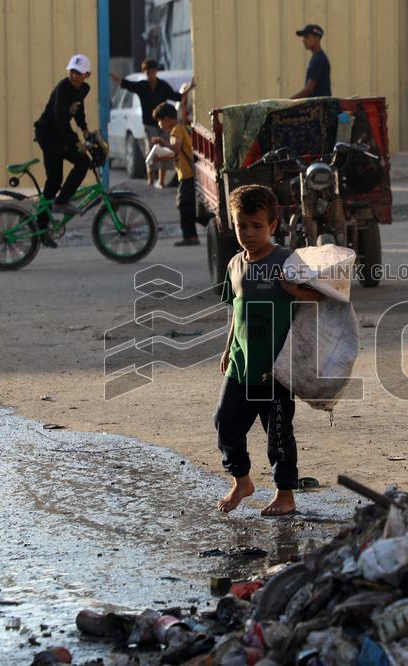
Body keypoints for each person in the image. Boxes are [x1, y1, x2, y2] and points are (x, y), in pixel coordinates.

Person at [214, 185, 325, 517]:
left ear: (273, 226)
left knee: (277, 433)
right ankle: (243, 482)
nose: (248, 233)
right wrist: (227, 348)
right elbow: (236, 309)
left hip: (277, 367)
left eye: (256, 226)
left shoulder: (287, 260)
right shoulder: (235, 264)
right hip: (241, 364)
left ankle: (285, 494)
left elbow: (321, 298)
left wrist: (292, 289)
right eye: (241, 225)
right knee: (225, 422)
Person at [34, 53, 93, 247]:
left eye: (79, 73)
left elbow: (78, 109)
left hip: (60, 135)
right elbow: (60, 118)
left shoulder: (84, 89)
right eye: (73, 72)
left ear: (87, 75)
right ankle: (60, 204)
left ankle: (42, 228)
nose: (75, 76)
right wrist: (76, 142)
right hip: (49, 135)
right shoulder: (63, 88)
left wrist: (85, 130)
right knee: (75, 167)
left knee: (56, 180)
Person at [112, 59, 194, 188]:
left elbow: (176, 96)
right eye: (148, 72)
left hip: (164, 125)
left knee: (165, 150)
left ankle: (161, 181)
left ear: (156, 72)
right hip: (149, 125)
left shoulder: (163, 86)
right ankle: (150, 180)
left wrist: (190, 89)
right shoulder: (142, 86)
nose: (151, 74)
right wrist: (110, 74)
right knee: (150, 151)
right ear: (145, 72)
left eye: (153, 72)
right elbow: (125, 84)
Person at [151, 102, 199, 246]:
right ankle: (191, 235)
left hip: (188, 174)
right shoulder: (178, 128)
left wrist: (162, 142)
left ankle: (191, 237)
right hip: (185, 174)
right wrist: (159, 157)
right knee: (184, 204)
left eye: (160, 121)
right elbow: (175, 153)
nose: (159, 124)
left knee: (184, 205)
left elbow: (176, 149)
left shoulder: (176, 130)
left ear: (166, 119)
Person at [291, 24, 331, 99]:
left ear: (317, 38)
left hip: (321, 107)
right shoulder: (316, 58)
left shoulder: (319, 60)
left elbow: (308, 90)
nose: (303, 40)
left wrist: (288, 102)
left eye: (307, 37)